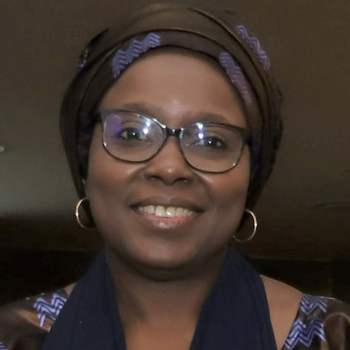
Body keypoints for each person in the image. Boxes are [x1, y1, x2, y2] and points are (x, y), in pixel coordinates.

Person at [1, 2, 350, 350]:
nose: (169, 168)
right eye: (132, 133)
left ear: (251, 177)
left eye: (211, 140)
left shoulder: (334, 336)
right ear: (84, 163)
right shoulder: (14, 340)